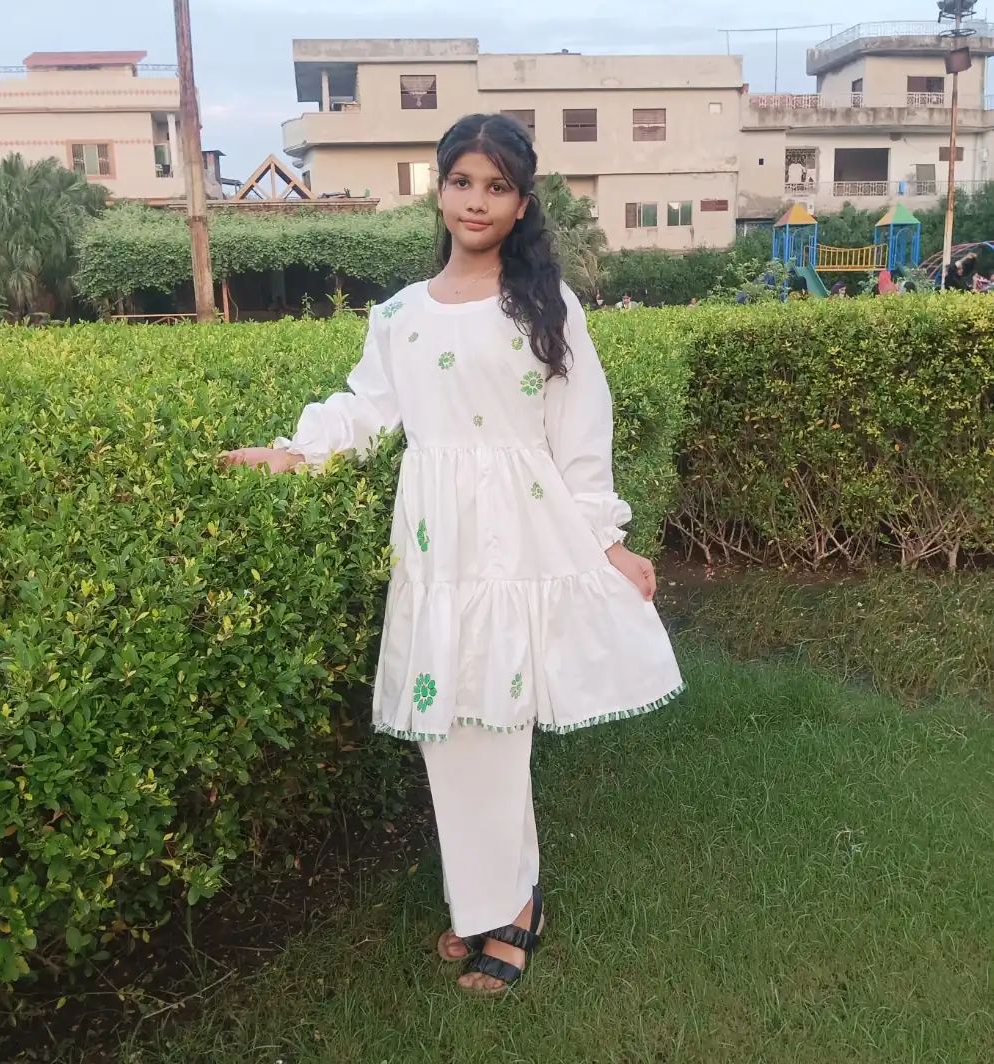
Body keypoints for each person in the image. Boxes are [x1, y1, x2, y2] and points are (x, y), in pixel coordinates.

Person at [221, 114, 683, 997]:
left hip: (521, 536)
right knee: (453, 727)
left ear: (521, 204)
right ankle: (497, 901)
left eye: (497, 186)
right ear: (438, 190)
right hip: (438, 546)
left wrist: (608, 539)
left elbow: (581, 432)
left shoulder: (543, 307)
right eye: (462, 181)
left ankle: (507, 912)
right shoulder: (398, 313)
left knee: (497, 726)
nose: (476, 200)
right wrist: (295, 450)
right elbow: (364, 410)